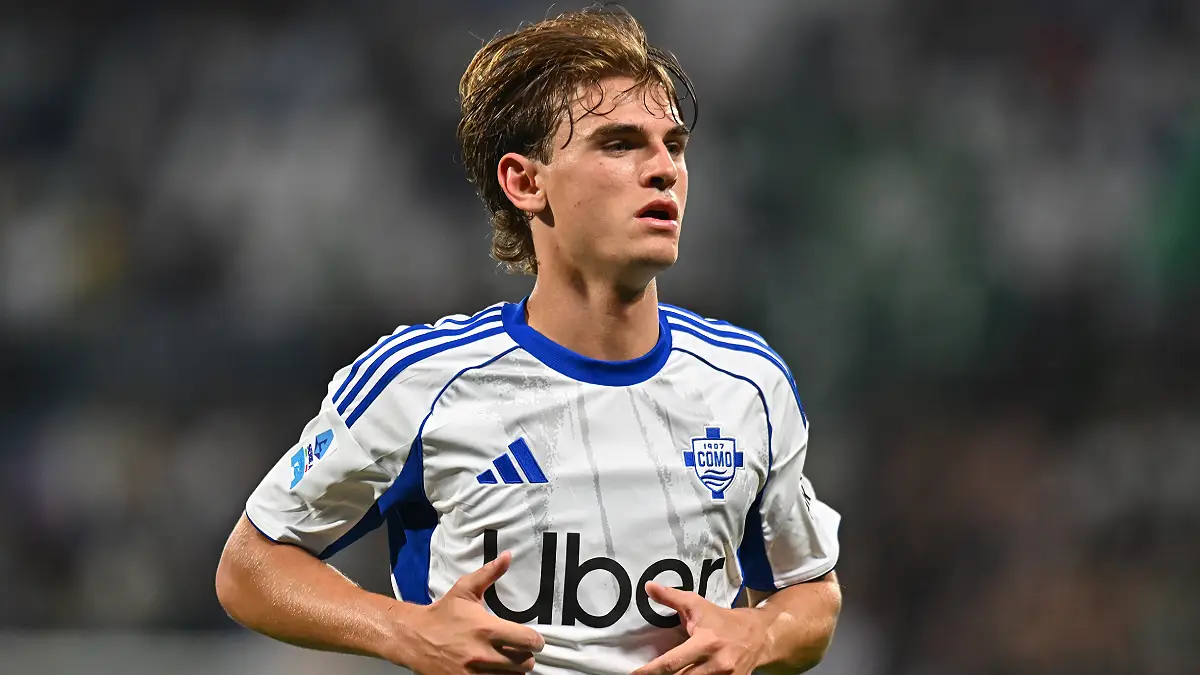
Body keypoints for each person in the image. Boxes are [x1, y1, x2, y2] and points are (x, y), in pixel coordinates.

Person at [215, 6, 842, 674]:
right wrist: (402, 629)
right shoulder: (423, 381)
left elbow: (809, 591)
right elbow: (250, 565)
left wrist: (757, 636)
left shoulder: (748, 383)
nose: (663, 169)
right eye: (620, 143)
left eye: (674, 145)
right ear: (525, 180)